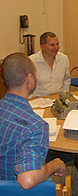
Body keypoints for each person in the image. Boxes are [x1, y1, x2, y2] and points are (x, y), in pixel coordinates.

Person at [0, 52, 66, 189]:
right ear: (29, 79)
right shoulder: (36, 127)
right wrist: (54, 165)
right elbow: (27, 179)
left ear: (3, 79)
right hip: (16, 190)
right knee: (76, 178)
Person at [29, 31, 70, 97]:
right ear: (42, 46)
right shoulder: (32, 61)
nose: (56, 47)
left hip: (58, 98)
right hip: (38, 99)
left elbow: (66, 79)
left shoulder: (64, 59)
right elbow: (26, 84)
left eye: (57, 44)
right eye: (52, 45)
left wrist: (64, 94)